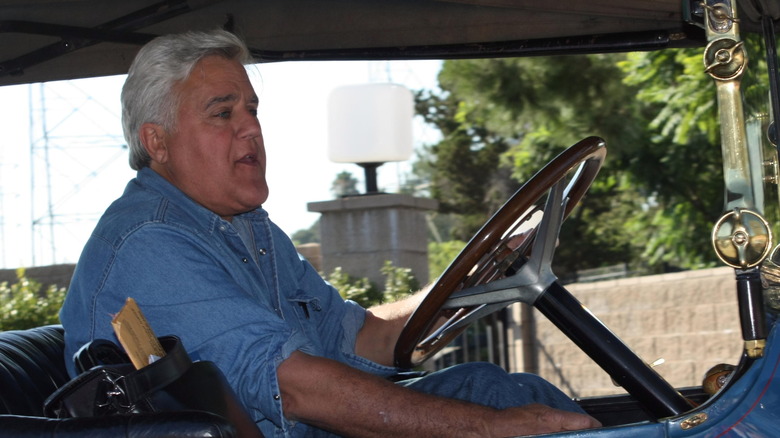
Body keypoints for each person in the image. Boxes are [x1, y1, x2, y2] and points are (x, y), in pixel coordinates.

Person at [60, 29, 600, 438]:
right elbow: (293, 388)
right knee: (498, 412)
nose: (251, 127)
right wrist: (489, 429)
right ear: (157, 142)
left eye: (251, 109)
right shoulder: (150, 242)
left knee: (493, 386)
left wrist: (475, 276)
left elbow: (366, 338)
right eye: (223, 114)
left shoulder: (251, 229)